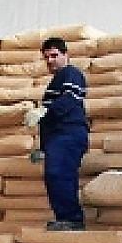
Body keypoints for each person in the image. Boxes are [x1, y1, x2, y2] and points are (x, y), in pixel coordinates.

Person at [29, 37, 90, 232]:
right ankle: (65, 218)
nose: (50, 61)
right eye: (46, 57)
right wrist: (43, 147)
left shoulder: (71, 73)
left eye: (55, 55)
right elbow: (50, 121)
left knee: (60, 174)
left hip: (70, 133)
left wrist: (45, 111)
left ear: (66, 55)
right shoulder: (54, 83)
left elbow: (70, 99)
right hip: (58, 138)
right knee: (54, 176)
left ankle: (72, 219)